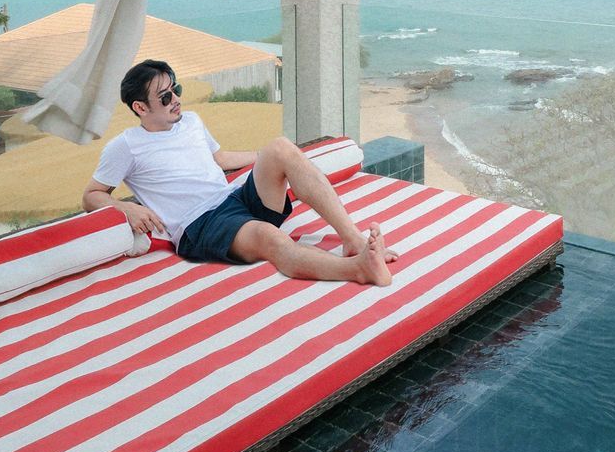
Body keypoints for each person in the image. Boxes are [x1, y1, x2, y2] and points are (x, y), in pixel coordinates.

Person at [82, 59, 394, 285]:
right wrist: (124, 207)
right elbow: (92, 195)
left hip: (233, 199)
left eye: (175, 88)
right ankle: (357, 269)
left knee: (281, 146)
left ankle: (352, 239)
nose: (176, 99)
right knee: (268, 236)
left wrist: (278, 160)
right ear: (140, 108)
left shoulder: (191, 121)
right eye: (165, 97)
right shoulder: (125, 146)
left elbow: (219, 158)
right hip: (201, 225)